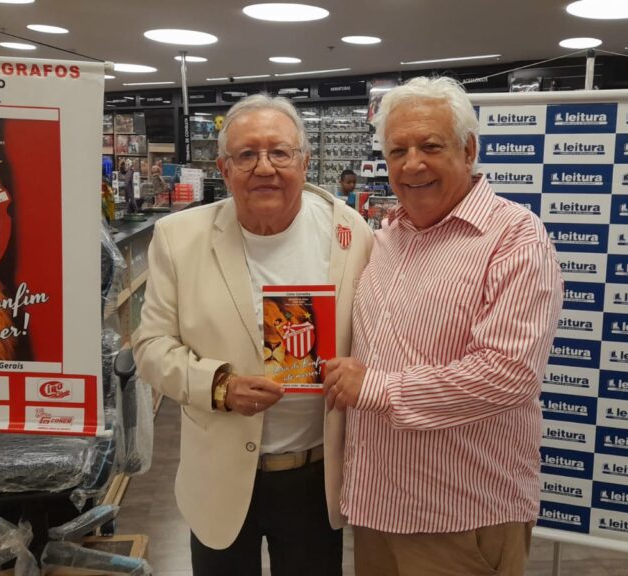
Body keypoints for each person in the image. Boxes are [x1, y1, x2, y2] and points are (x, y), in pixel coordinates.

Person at [324, 76, 563, 576]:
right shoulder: (387, 236)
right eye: (397, 150)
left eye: (430, 146)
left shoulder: (515, 237)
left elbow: (509, 373)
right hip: (377, 509)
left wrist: (378, 388)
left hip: (459, 517)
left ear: (469, 149)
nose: (412, 164)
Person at [132, 93, 372, 576]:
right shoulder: (180, 238)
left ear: (304, 162)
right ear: (224, 169)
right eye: (247, 155)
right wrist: (218, 385)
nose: (265, 167)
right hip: (218, 477)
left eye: (280, 152)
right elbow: (151, 346)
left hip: (315, 477)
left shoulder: (351, 233)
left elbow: (376, 333)